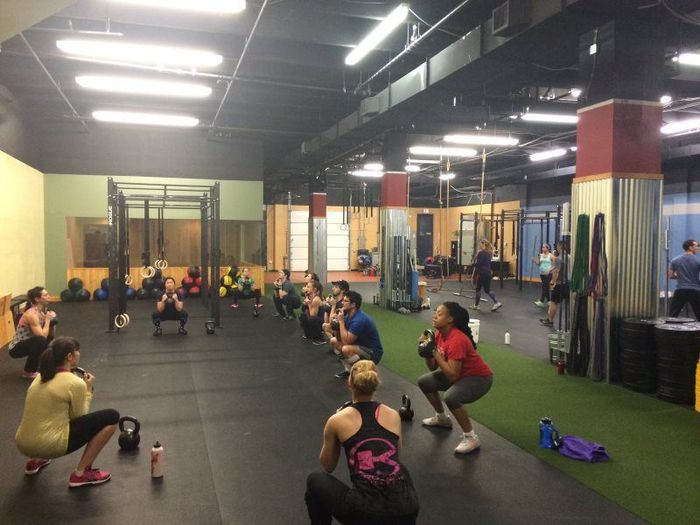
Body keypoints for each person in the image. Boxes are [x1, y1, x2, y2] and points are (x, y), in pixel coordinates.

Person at [305, 360, 419, 524]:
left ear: (350, 383)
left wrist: (335, 433)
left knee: (314, 480)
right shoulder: (393, 415)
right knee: (401, 469)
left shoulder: (337, 420)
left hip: (366, 514)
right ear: (376, 383)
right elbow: (396, 455)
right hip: (407, 511)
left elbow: (328, 466)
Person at [15, 337, 120, 487]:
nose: (79, 353)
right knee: (112, 416)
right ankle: (80, 474)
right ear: (69, 357)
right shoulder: (75, 383)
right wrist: (88, 390)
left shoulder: (39, 377)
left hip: (23, 443)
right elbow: (78, 417)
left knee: (44, 416)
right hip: (50, 445)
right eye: (77, 351)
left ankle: (35, 460)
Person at [418, 302, 493, 454]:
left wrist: (434, 352)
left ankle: (471, 438)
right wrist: (427, 352)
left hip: (479, 378)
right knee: (424, 382)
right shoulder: (438, 334)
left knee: (451, 397)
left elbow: (452, 375)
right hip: (458, 375)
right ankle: (442, 418)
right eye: (435, 312)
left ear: (450, 319)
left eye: (439, 314)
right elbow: (433, 367)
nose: (434, 316)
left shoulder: (457, 339)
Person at [331, 291, 383, 379]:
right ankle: (349, 371)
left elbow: (346, 341)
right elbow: (339, 339)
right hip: (360, 347)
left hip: (373, 353)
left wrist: (341, 322)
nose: (342, 303)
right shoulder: (347, 316)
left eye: (345, 301)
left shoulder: (359, 319)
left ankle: (362, 374)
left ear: (353, 304)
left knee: (346, 349)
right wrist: (336, 325)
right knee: (334, 341)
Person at [8, 287, 57, 378]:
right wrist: (47, 320)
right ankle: (28, 371)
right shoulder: (31, 315)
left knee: (49, 329)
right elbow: (42, 337)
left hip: (30, 341)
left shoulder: (42, 311)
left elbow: (48, 335)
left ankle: (40, 364)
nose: (49, 296)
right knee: (40, 340)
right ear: (37, 299)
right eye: (45, 295)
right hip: (16, 348)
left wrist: (50, 319)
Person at [668, 239, 700, 319]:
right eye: (696, 246)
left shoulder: (675, 260)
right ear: (690, 247)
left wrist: (681, 275)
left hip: (681, 290)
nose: (698, 248)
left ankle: (667, 330)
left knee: (673, 314)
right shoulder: (698, 260)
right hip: (695, 290)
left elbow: (670, 276)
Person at [541, 241, 569, 327]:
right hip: (568, 283)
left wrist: (552, 283)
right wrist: (551, 269)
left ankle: (550, 321)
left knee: (553, 303)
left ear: (559, 247)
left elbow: (557, 272)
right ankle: (569, 323)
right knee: (568, 304)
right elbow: (558, 268)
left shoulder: (558, 258)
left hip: (560, 284)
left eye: (557, 246)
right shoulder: (568, 257)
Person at [470, 239, 503, 312]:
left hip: (482, 273)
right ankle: (496, 302)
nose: (479, 245)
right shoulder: (489, 253)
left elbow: (479, 264)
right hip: (488, 273)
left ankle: (476, 305)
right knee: (487, 290)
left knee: (478, 289)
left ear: (483, 244)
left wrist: (473, 264)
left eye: (480, 244)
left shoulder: (482, 253)